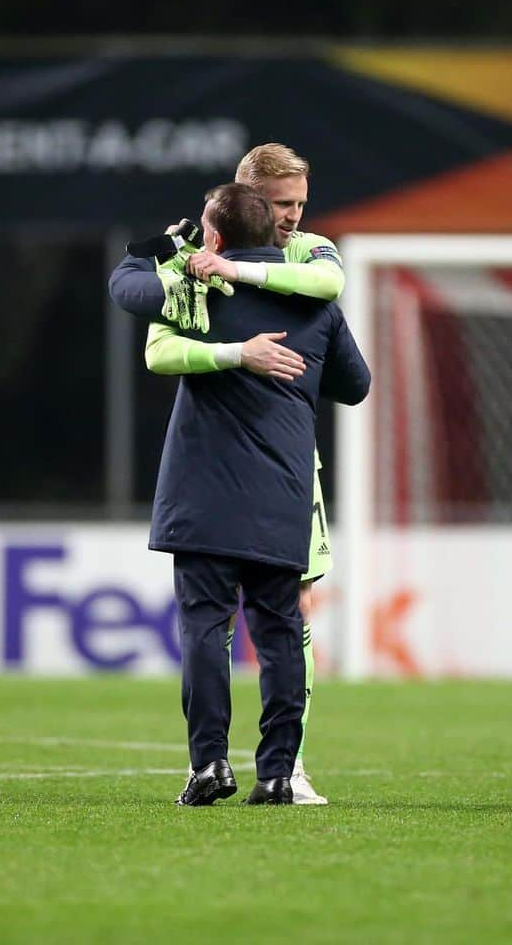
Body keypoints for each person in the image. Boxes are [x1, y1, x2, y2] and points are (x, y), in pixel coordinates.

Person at [108, 143, 342, 804]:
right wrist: (239, 351)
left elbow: (328, 286)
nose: (292, 217)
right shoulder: (191, 268)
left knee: (269, 623)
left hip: (271, 471)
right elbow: (157, 343)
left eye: (300, 202)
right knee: (275, 622)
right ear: (243, 201)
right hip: (257, 475)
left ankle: (278, 766)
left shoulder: (304, 254)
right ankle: (274, 768)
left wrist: (233, 270)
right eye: (278, 205)